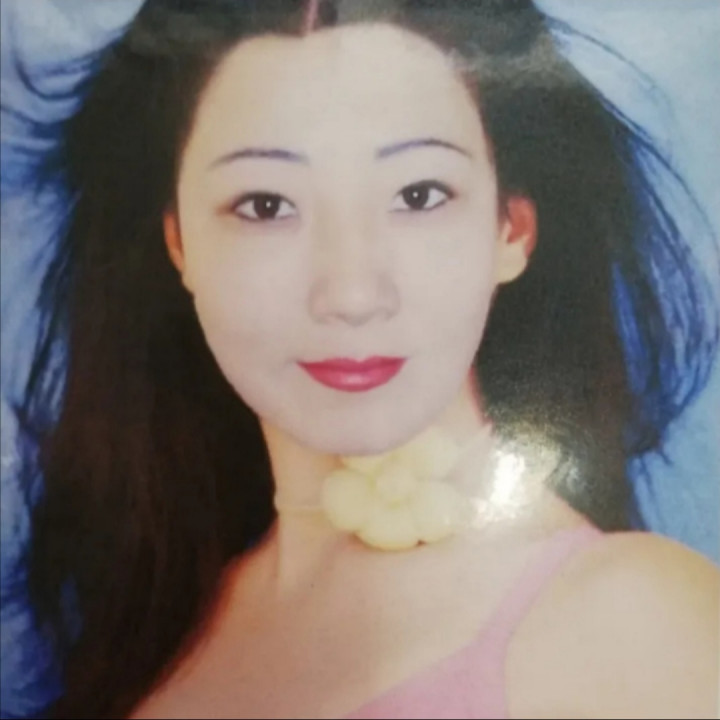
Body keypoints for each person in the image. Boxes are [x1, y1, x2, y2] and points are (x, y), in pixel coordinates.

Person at [2, 0, 719, 717]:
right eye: (265, 206)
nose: (350, 294)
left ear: (511, 231)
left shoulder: (633, 622)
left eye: (419, 195)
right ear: (180, 243)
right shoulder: (153, 629)